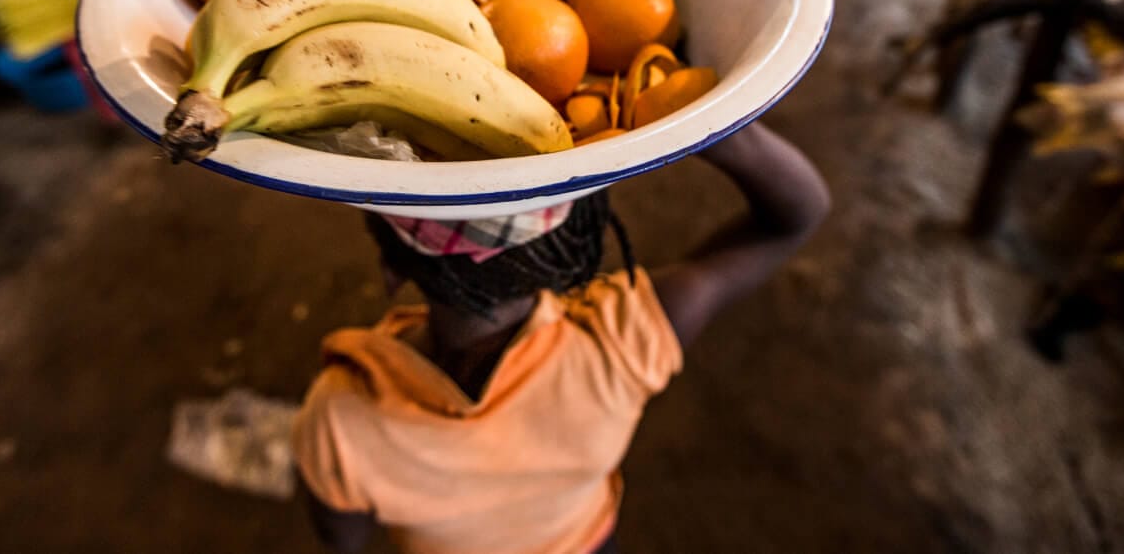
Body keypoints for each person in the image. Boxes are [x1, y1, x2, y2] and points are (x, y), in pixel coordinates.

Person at [294, 121, 831, 554]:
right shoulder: (619, 340)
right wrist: (707, 117)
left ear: (392, 266)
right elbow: (794, 218)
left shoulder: (338, 418)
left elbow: (342, 540)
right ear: (572, 239)